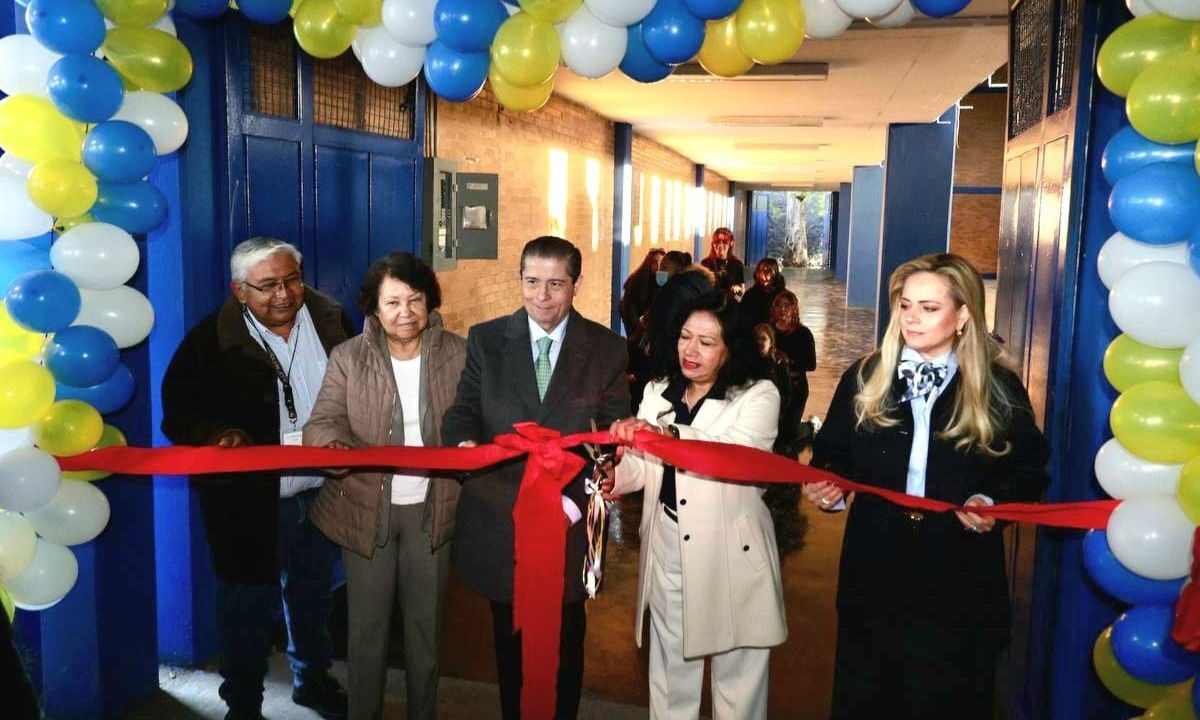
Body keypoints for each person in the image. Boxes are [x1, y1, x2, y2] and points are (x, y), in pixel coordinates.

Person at [803, 253, 1049, 719]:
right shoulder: (865, 376)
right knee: (869, 697)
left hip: (958, 573)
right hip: (875, 567)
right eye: (906, 304)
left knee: (947, 698)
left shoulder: (998, 388)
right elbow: (834, 454)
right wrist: (832, 488)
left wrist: (991, 503)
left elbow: (1029, 469)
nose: (912, 317)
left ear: (963, 316)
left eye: (929, 308)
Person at [162, 237, 353, 720]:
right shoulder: (210, 342)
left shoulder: (332, 321)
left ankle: (313, 681)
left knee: (314, 599)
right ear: (239, 290)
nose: (284, 295)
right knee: (245, 609)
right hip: (247, 503)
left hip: (322, 493)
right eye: (267, 286)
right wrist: (217, 433)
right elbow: (178, 414)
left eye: (292, 280)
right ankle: (243, 703)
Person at [441, 236, 629, 720]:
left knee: (565, 636)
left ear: (576, 285)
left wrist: (577, 495)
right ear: (519, 279)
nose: (542, 296)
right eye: (531, 282)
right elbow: (463, 411)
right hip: (503, 517)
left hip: (567, 520)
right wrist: (463, 445)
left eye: (555, 284)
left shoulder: (606, 349)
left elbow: (609, 437)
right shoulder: (486, 339)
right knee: (510, 636)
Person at [603, 291, 785, 720]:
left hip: (732, 554)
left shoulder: (759, 396)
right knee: (670, 679)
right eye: (685, 337)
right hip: (667, 544)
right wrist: (614, 474)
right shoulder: (658, 391)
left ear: (730, 349)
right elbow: (642, 467)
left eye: (707, 341)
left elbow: (736, 457)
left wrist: (667, 436)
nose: (691, 350)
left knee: (738, 689)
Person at [303, 253, 466, 720]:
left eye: (415, 300)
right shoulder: (349, 357)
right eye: (392, 301)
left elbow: (474, 416)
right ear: (373, 307)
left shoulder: (458, 353)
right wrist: (332, 447)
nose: (405, 312)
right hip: (366, 506)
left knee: (425, 634)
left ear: (430, 302)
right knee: (366, 633)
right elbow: (323, 420)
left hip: (433, 510)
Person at [770, 291, 818, 456]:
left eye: (787, 306)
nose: (783, 310)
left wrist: (788, 363)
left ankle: (808, 429)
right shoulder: (768, 331)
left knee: (788, 435)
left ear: (794, 310)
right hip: (773, 387)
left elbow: (811, 364)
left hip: (795, 389)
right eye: (779, 306)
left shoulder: (803, 334)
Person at [619, 248, 667, 337]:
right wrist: (639, 329)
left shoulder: (662, 278)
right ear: (649, 263)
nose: (658, 266)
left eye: (662, 263)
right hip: (633, 318)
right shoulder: (637, 280)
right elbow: (630, 309)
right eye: (655, 262)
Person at [740, 258, 785, 328]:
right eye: (759, 271)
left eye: (767, 272)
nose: (762, 276)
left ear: (775, 274)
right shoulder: (750, 294)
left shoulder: (782, 296)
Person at [699, 228, 745, 298]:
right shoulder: (705, 263)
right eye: (716, 242)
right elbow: (700, 287)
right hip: (709, 303)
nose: (720, 245)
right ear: (712, 244)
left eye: (724, 242)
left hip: (728, 303)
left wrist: (737, 288)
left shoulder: (737, 264)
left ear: (731, 243)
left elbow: (742, 291)